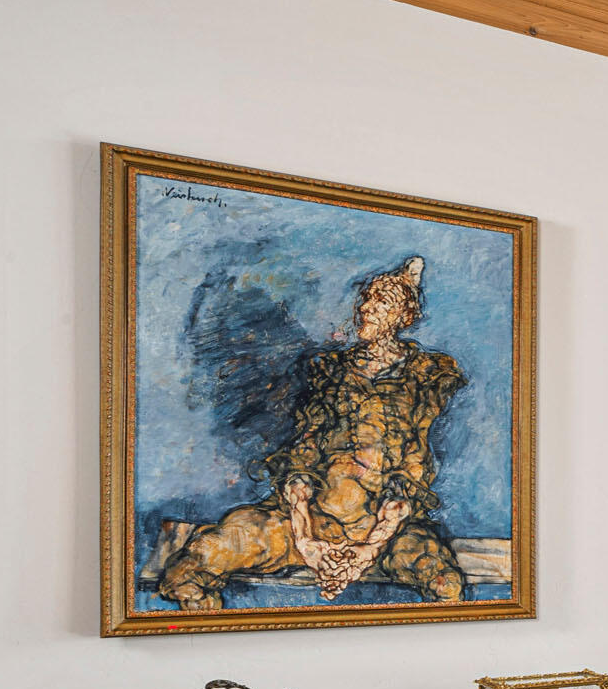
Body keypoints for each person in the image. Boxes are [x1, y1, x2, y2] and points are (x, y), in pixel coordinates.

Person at [156, 256, 470, 609]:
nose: (366, 308)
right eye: (366, 298)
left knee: (445, 584)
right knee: (192, 566)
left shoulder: (425, 375)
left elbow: (412, 465)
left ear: (404, 316)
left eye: (380, 301)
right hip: (309, 520)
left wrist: (368, 549)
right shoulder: (331, 371)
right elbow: (304, 449)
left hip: (388, 531)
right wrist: (306, 539)